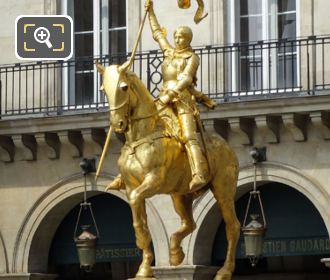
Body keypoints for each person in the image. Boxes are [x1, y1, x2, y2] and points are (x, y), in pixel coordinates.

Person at [145, 0, 216, 192]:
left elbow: (185, 79)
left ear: (188, 40)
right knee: (143, 126)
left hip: (182, 100)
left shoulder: (192, 58)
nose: (177, 40)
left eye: (181, 37)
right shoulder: (169, 53)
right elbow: (157, 33)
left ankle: (199, 173)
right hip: (164, 97)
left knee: (188, 136)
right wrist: (150, 12)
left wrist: (170, 95)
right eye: (176, 37)